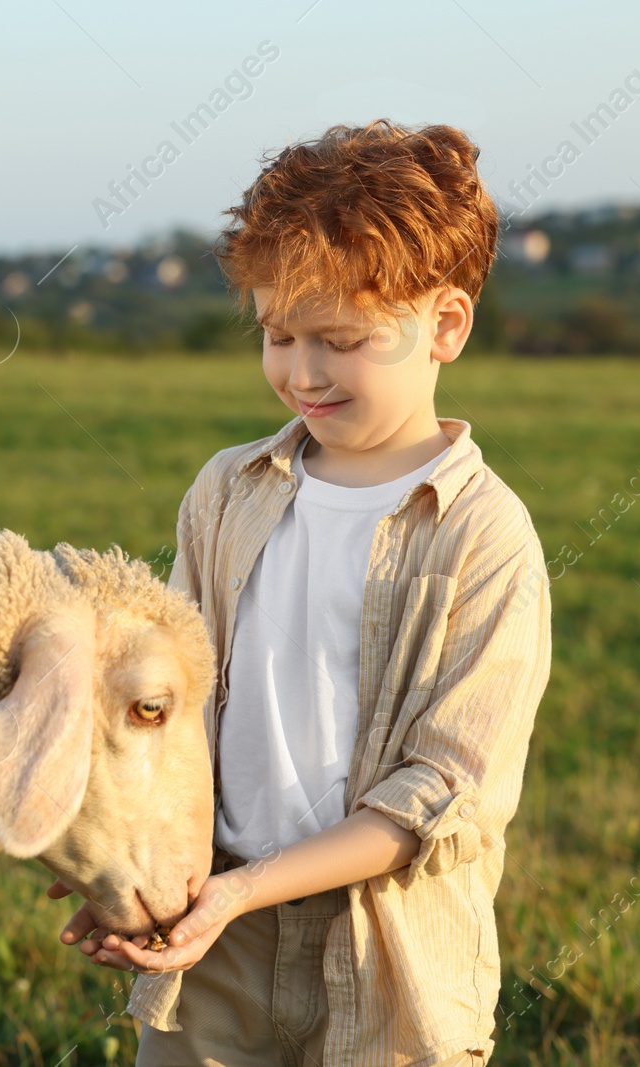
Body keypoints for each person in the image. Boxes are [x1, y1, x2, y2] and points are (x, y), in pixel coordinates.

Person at [50, 118, 552, 1066]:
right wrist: (144, 864)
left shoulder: (486, 536)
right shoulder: (227, 493)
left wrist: (247, 890)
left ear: (446, 324)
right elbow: (175, 707)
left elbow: (446, 794)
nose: (302, 372)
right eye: (279, 334)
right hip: (214, 940)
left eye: (341, 339)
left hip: (387, 951)